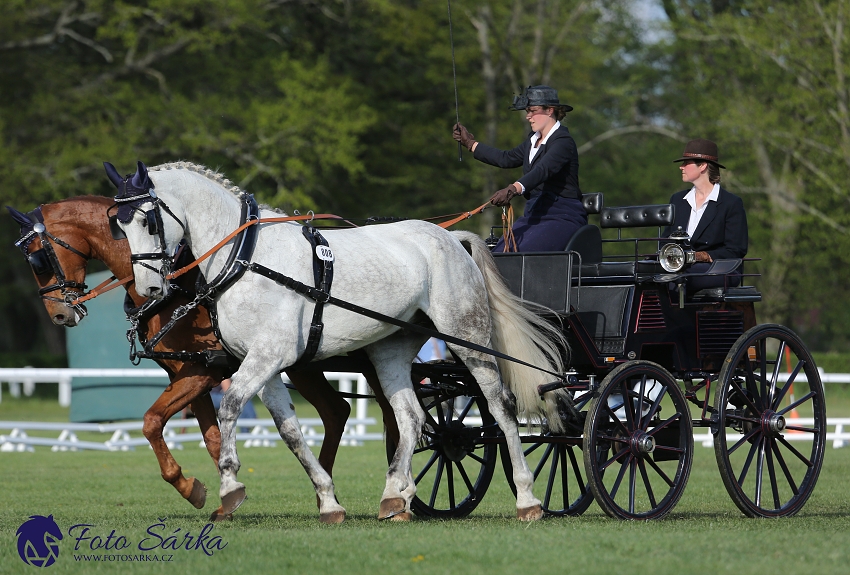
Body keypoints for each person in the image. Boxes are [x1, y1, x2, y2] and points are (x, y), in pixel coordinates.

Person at [452, 85, 587, 252]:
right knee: (498, 254)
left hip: (561, 215)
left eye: (532, 111)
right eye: (527, 111)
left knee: (521, 256)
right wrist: (470, 144)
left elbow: (543, 170)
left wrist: (512, 189)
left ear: (550, 110)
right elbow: (506, 158)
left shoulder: (563, 142)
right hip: (534, 213)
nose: (528, 116)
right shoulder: (533, 140)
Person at [664, 138, 748, 290]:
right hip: (678, 268)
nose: (681, 167)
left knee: (681, 277)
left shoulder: (731, 203)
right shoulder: (677, 200)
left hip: (719, 268)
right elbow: (665, 240)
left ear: (702, 166)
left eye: (686, 163)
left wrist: (700, 256)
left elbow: (735, 249)